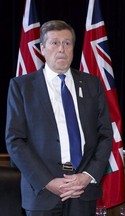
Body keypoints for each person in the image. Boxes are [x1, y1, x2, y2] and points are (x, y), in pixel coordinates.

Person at [5, 20, 113, 216]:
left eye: (67, 43)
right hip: (42, 193)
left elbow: (105, 134)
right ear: (42, 48)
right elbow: (14, 140)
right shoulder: (22, 87)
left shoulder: (92, 84)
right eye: (55, 43)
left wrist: (87, 176)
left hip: (83, 190)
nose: (61, 49)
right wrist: (47, 181)